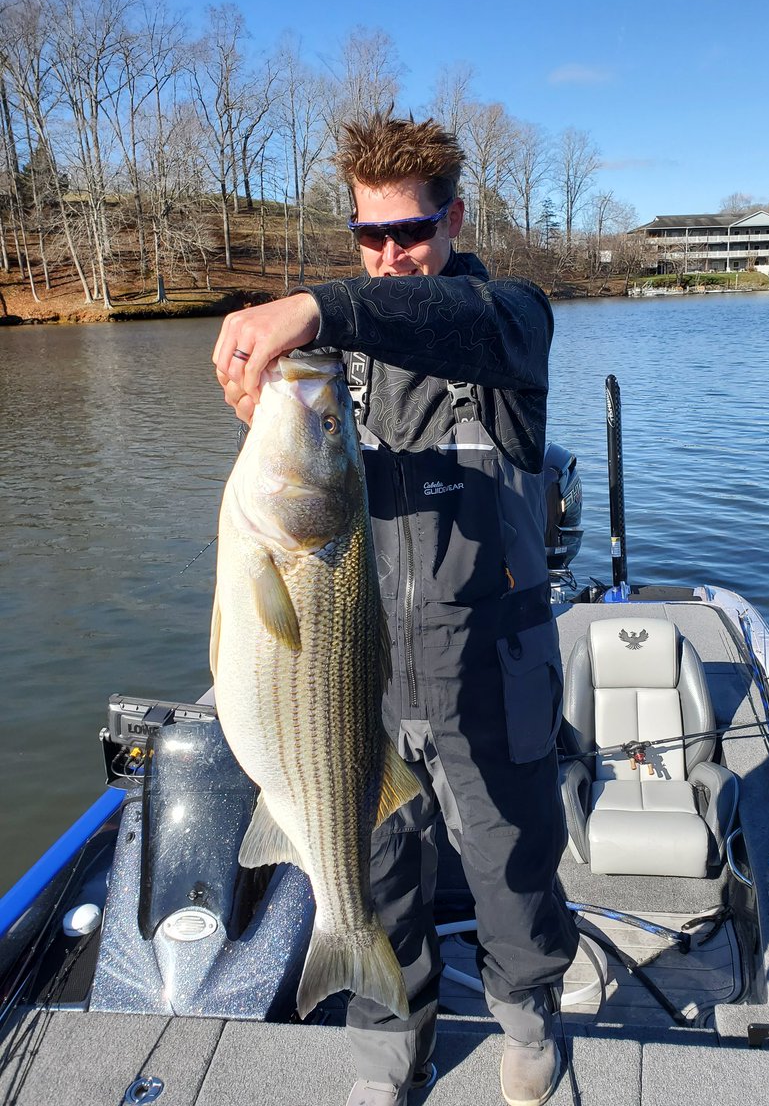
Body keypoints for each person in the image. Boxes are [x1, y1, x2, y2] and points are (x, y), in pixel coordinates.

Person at [212, 113, 578, 1106]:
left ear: (453, 218)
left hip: (492, 665)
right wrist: (273, 402)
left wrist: (317, 309)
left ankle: (527, 1016)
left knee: (513, 866)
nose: (391, 257)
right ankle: (387, 1047)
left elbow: (447, 318)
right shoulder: (336, 366)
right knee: (372, 871)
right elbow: (287, 506)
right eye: (371, 239)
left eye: (410, 232)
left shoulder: (509, 323)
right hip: (356, 677)